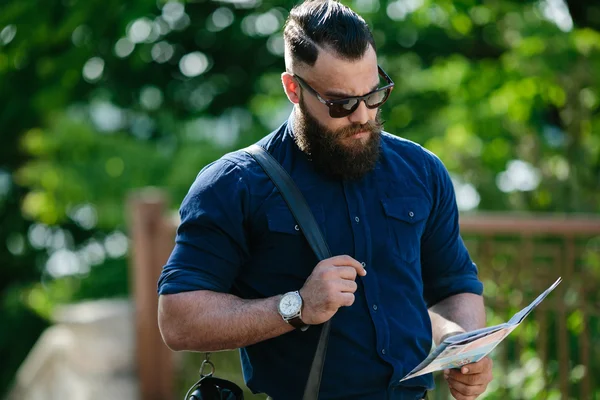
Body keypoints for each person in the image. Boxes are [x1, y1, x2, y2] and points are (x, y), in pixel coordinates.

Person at [157, 0, 494, 399]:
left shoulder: (422, 170)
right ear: (293, 89)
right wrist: (297, 306)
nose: (362, 116)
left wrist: (461, 343)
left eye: (373, 94)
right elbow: (177, 320)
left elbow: (453, 287)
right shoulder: (234, 184)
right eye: (341, 103)